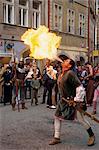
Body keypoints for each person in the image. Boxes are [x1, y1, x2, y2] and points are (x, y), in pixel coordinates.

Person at [49, 58, 95, 146]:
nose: (64, 61)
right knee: (57, 117)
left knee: (81, 119)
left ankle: (91, 136)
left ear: (70, 65)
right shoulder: (61, 73)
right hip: (64, 101)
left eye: (66, 61)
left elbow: (80, 87)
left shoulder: (70, 73)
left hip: (74, 101)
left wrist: (77, 101)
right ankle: (57, 137)